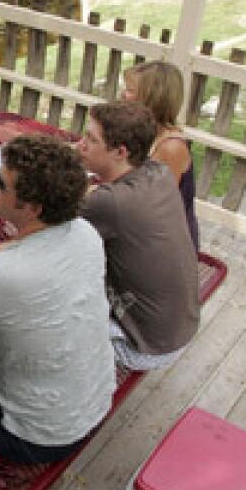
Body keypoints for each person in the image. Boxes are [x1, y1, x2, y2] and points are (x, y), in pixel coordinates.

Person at [0, 135, 115, 464]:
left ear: (33, 207)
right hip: (91, 400)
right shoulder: (84, 232)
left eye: (2, 184)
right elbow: (25, 249)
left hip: (39, 434)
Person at [78, 101, 200, 371]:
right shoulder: (158, 172)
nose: (80, 143)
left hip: (144, 347)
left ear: (121, 152)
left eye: (90, 138)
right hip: (180, 326)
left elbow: (43, 231)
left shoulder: (111, 202)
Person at [122, 60, 200, 251]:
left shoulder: (171, 147)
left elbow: (150, 206)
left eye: (130, 90)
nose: (123, 95)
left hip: (166, 246)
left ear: (153, 98)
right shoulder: (144, 132)